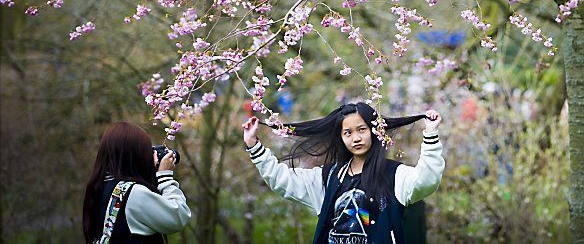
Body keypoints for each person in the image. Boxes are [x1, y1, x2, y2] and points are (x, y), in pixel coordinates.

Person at [242, 102, 444, 244]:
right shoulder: (328, 178)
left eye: (362, 130)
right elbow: (282, 181)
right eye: (348, 133)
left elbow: (427, 180)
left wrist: (431, 136)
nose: (356, 138)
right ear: (341, 137)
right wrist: (254, 146)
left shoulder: (394, 175)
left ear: (374, 131)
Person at [82, 121, 192, 243]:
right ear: (135, 155)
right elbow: (178, 217)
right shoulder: (133, 194)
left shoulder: (99, 187)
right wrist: (165, 177)